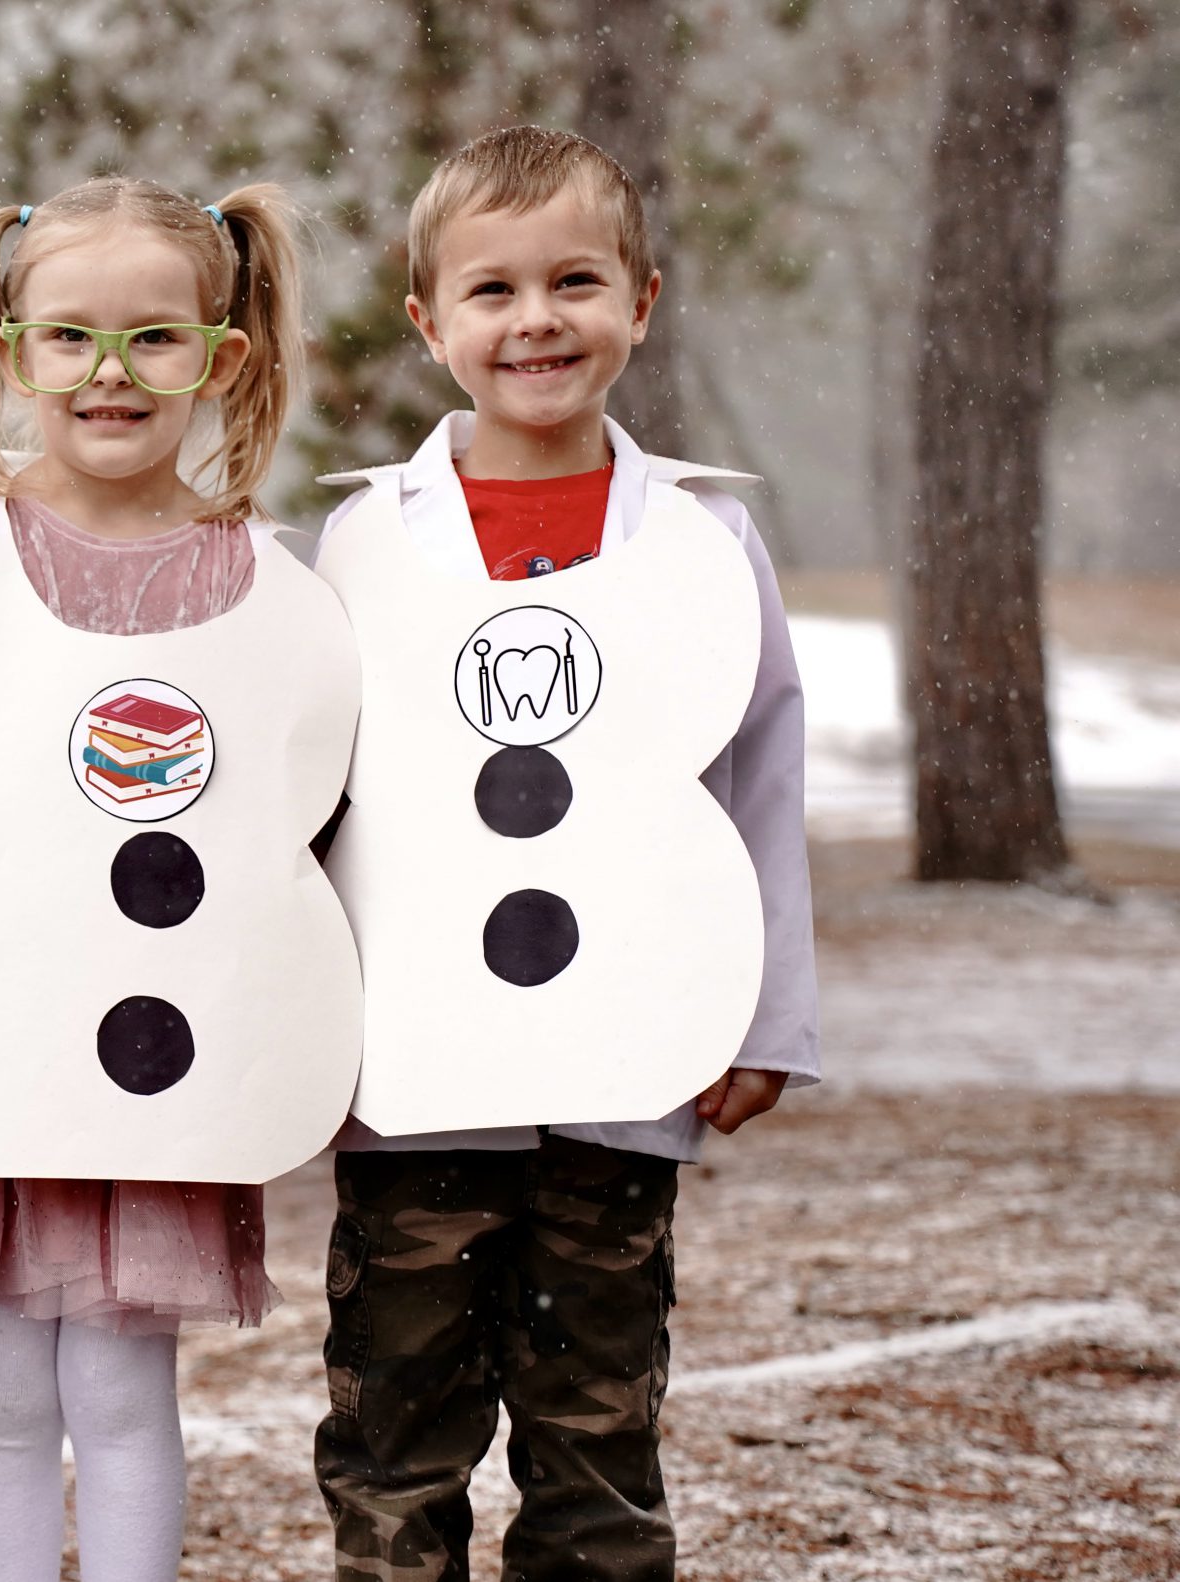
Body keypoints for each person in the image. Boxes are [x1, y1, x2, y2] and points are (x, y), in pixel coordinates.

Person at [308, 126, 821, 1581]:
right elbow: (325, 804)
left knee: (596, 1439)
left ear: (642, 302)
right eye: (492, 291)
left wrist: (760, 1008)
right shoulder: (363, 544)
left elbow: (760, 774)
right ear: (430, 323)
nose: (535, 319)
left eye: (575, 280)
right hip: (416, 1079)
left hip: (630, 1059)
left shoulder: (705, 543)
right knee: (395, 1444)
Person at [0, 175, 350, 1582]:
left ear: (224, 357)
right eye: (69, 337)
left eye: (154, 337)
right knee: (8, 1398)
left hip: (163, 1048)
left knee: (124, 1399)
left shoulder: (263, 574)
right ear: (11, 353)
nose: (111, 373)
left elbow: (286, 832)